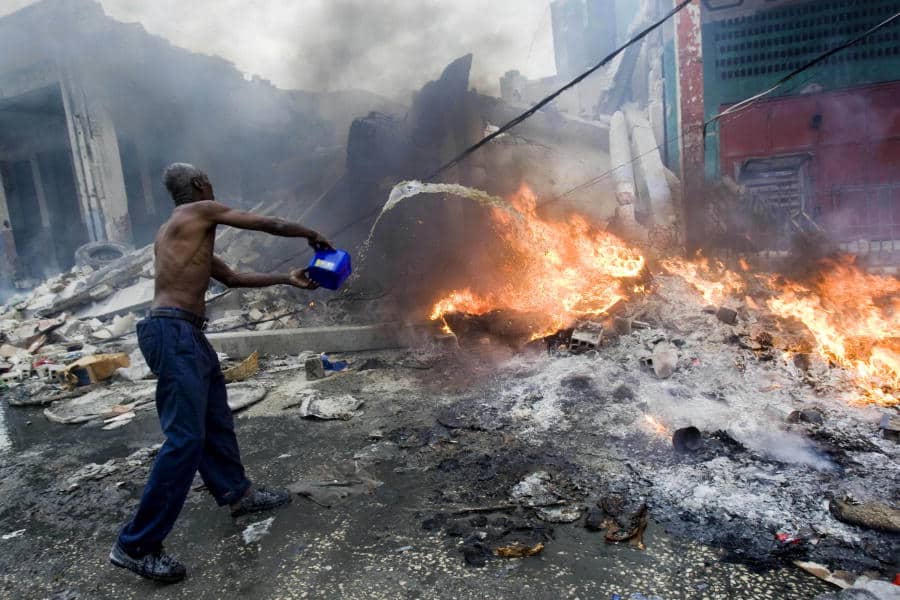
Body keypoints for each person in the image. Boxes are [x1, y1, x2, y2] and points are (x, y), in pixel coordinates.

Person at [110, 163, 334, 583]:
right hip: (174, 332)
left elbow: (231, 276)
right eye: (208, 180)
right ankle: (135, 545)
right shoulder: (199, 211)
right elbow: (267, 222)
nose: (213, 186)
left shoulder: (180, 232)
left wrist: (285, 277)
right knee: (185, 440)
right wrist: (310, 232)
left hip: (186, 335)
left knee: (214, 419)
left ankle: (238, 493)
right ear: (199, 185)